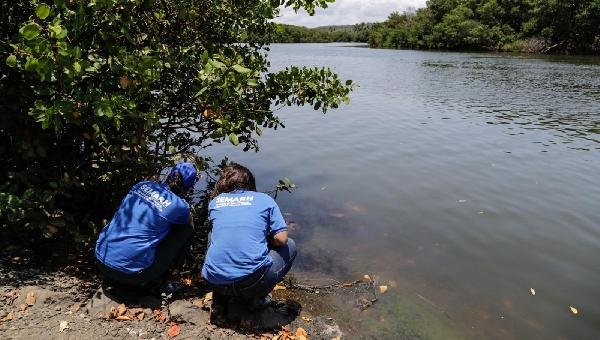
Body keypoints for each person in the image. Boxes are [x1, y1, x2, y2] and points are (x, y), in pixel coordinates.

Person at [202, 163, 297, 311]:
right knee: (290, 245)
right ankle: (257, 299)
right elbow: (281, 239)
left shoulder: (216, 202)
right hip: (251, 284)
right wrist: (268, 240)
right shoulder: (264, 200)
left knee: (213, 234)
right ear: (250, 182)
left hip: (215, 281)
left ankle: (219, 301)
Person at [95, 162, 198, 292]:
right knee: (187, 226)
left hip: (101, 260)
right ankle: (161, 282)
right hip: (132, 274)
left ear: (168, 175)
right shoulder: (180, 207)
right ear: (189, 187)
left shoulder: (142, 185)